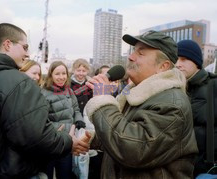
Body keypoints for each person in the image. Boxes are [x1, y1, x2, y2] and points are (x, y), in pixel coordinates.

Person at [0, 23, 90, 178]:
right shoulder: (18, 82)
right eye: (25, 47)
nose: (28, 53)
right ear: (7, 44)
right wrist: (68, 142)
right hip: (14, 171)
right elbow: (35, 136)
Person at [85, 30, 198, 178]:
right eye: (133, 51)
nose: (131, 57)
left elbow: (133, 150)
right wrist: (97, 139)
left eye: (141, 53)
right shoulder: (136, 93)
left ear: (163, 66)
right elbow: (128, 130)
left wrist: (103, 101)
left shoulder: (173, 104)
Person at [176, 39, 217, 177]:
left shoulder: (214, 86)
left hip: (207, 170)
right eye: (175, 60)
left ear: (197, 62)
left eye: (184, 59)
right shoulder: (172, 88)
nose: (178, 64)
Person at [41, 61, 86, 179]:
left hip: (67, 143)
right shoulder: (44, 93)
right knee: (47, 174)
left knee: (65, 174)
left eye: (64, 73)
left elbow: (76, 109)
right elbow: (42, 120)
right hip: (51, 143)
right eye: (57, 74)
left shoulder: (69, 90)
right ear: (51, 75)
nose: (61, 77)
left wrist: (79, 121)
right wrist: (66, 128)